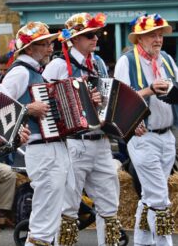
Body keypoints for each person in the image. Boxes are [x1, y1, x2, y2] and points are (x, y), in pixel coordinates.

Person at [43, 12, 121, 246]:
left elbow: (107, 98)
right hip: (75, 142)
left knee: (110, 204)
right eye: (89, 35)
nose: (95, 39)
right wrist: (77, 101)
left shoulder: (97, 64)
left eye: (95, 34)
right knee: (68, 205)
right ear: (74, 39)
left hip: (101, 141)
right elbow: (43, 97)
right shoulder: (57, 65)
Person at [0, 21, 69, 246]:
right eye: (45, 44)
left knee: (50, 213)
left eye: (50, 43)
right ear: (29, 49)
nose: (51, 48)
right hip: (41, 148)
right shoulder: (20, 71)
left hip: (51, 148)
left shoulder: (34, 72)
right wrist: (28, 109)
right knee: (45, 215)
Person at [114, 13, 178, 246]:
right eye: (152, 34)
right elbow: (118, 99)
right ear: (139, 38)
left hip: (167, 136)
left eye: (160, 34)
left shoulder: (168, 60)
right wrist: (150, 89)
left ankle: (142, 242)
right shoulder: (127, 61)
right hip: (142, 137)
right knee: (160, 197)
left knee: (150, 195)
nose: (158, 39)